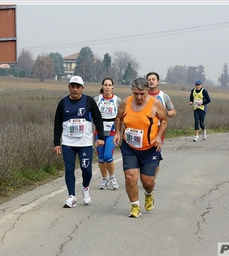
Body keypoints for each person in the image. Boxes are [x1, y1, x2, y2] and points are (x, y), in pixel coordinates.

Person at [114, 77, 168, 218]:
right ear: (132, 91)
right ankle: (135, 206)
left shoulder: (155, 104)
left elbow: (164, 121)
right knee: (130, 176)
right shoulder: (126, 102)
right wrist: (118, 133)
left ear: (147, 91)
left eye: (142, 94)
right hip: (130, 146)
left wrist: (158, 137)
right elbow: (119, 117)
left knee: (147, 181)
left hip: (149, 148)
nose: (139, 97)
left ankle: (149, 194)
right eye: (136, 93)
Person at [53, 75, 105, 208]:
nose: (75, 89)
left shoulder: (89, 101)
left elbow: (98, 119)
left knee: (86, 170)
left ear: (82, 88)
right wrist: (56, 143)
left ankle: (85, 187)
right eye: (73, 87)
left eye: (78, 87)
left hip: (85, 143)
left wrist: (100, 137)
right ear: (69, 87)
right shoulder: (63, 103)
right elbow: (57, 123)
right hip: (68, 143)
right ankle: (71, 197)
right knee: (69, 169)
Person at [146, 71, 177, 183]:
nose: (151, 81)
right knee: (144, 155)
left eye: (153, 79)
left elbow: (173, 111)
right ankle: (146, 177)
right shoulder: (143, 95)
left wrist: (165, 114)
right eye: (149, 79)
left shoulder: (164, 96)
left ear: (158, 82)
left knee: (155, 158)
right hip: (145, 130)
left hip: (159, 131)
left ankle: (152, 180)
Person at [94, 78, 122, 190]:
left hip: (112, 132)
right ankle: (104, 179)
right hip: (99, 132)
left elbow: (120, 117)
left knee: (107, 156)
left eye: (110, 85)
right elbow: (93, 116)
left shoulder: (117, 100)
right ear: (102, 86)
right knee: (101, 157)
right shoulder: (97, 99)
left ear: (112, 87)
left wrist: (119, 132)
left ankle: (112, 177)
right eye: (105, 85)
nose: (107, 87)